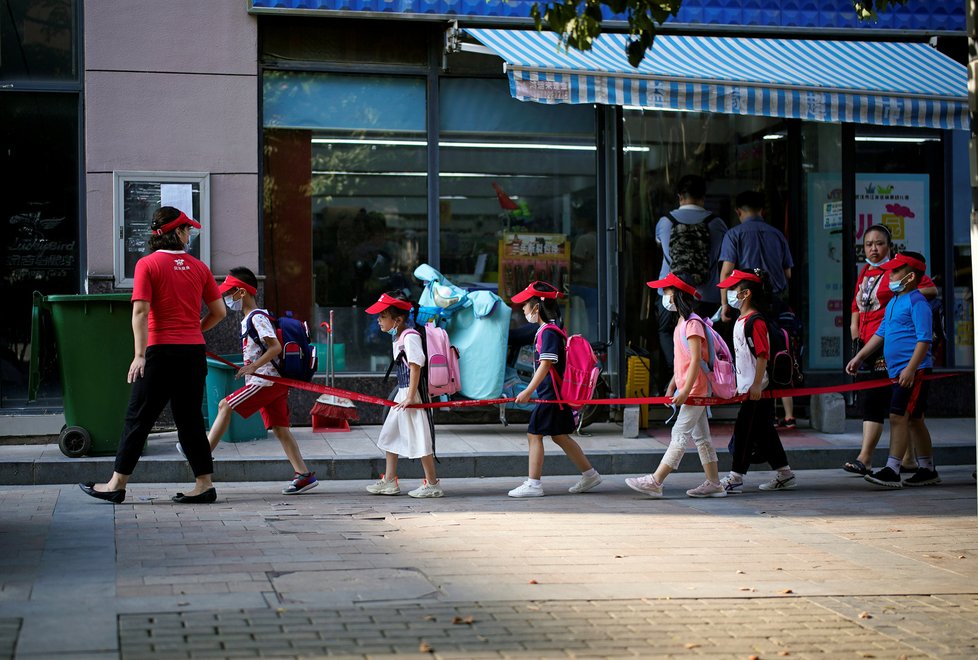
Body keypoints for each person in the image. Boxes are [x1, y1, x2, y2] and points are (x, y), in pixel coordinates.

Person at [79, 207, 225, 504]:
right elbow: (219, 312)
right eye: (187, 230)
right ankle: (204, 484)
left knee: (139, 418)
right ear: (176, 233)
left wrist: (139, 355)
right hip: (192, 353)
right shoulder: (200, 268)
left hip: (160, 352)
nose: (189, 235)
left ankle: (116, 484)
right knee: (190, 419)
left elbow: (141, 312)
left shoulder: (147, 265)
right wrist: (194, 330)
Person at [194, 267, 318, 495]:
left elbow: (275, 347)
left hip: (265, 381)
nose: (226, 299)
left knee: (225, 405)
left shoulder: (256, 317)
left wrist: (252, 367)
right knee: (281, 429)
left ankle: (201, 454)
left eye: (229, 293)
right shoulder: (253, 318)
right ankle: (304, 475)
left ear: (242, 292)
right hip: (273, 381)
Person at [843, 225, 938, 476]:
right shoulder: (894, 301)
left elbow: (924, 340)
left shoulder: (917, 302)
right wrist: (859, 355)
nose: (889, 277)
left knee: (900, 416)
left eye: (895, 272)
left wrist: (910, 368)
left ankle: (893, 468)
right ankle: (924, 468)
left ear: (908, 278)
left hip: (911, 369)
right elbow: (881, 332)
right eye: (868, 244)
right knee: (912, 418)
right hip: (898, 368)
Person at [626, 273, 726, 498]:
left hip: (696, 390)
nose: (664, 296)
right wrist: (673, 385)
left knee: (680, 433)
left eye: (667, 292)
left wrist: (686, 392)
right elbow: (683, 363)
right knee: (701, 438)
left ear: (677, 295)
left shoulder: (692, 324)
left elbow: (695, 363)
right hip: (692, 388)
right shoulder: (682, 323)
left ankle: (656, 480)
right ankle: (714, 483)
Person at [507, 281, 602, 497]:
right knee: (560, 436)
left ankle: (534, 484)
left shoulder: (548, 332)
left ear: (537, 307)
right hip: (556, 395)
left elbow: (546, 364)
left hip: (552, 396)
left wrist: (528, 391)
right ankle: (590, 475)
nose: (523, 309)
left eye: (526, 304)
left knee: (534, 434)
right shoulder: (549, 330)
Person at [718, 190, 796, 426]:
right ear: (762, 211)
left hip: (749, 303)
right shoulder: (777, 234)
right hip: (775, 301)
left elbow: (726, 271)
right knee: (780, 352)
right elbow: (788, 272)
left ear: (739, 212)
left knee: (753, 355)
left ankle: (764, 411)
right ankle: (789, 414)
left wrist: (725, 305)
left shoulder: (734, 234)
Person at [716, 269, 797, 493]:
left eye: (734, 289)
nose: (730, 293)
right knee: (764, 432)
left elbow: (763, 355)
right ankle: (785, 474)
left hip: (756, 389)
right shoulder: (742, 320)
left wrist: (755, 385)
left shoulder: (755, 321)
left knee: (744, 431)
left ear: (746, 293)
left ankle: (735, 477)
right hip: (749, 388)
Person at [363, 291, 443, 498]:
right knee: (391, 434)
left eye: (382, 316)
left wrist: (410, 397)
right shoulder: (400, 336)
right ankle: (389, 481)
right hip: (404, 392)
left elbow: (416, 366)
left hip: (412, 394)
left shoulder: (410, 337)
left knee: (420, 438)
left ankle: (432, 483)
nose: (378, 320)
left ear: (397, 320)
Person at [654, 175, 727, 375]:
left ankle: (675, 372)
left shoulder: (665, 222)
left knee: (667, 331)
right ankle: (707, 377)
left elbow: (661, 247)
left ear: (679, 197)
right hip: (707, 294)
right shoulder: (717, 223)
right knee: (707, 335)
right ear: (703, 198)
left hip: (671, 293)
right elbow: (721, 254)